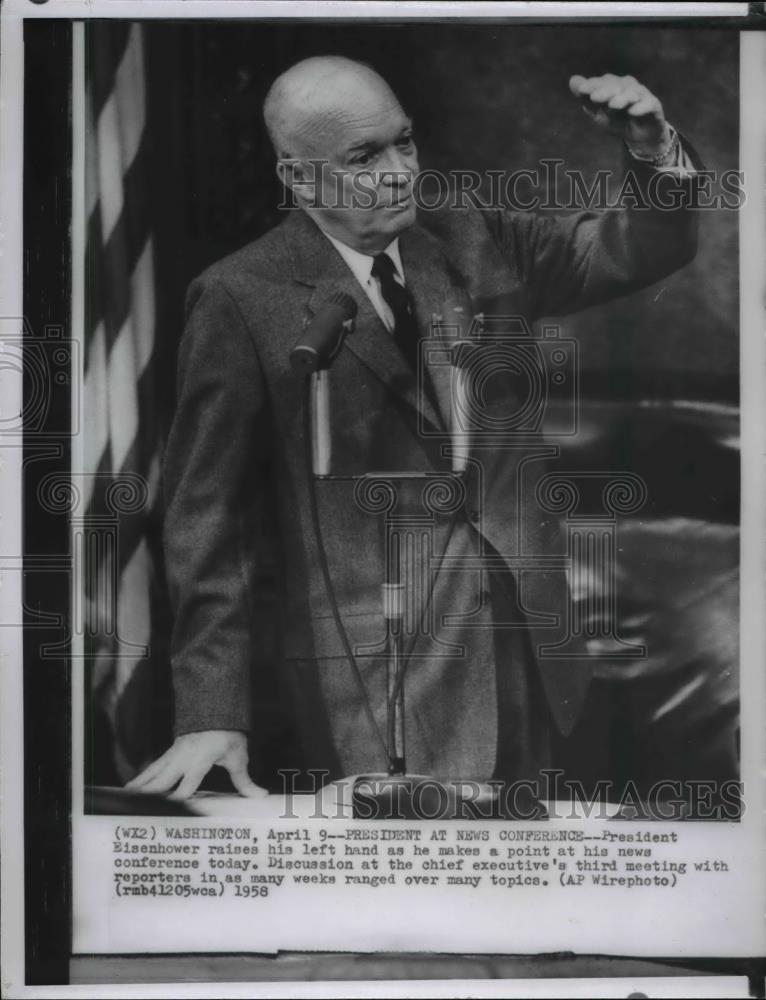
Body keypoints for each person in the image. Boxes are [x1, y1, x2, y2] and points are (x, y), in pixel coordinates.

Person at [127, 56, 699, 801]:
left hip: (535, 654)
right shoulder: (241, 299)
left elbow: (642, 248)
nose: (399, 171)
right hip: (378, 682)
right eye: (365, 158)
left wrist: (652, 150)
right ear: (301, 181)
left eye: (405, 142)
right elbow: (206, 523)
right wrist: (211, 712)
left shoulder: (475, 235)